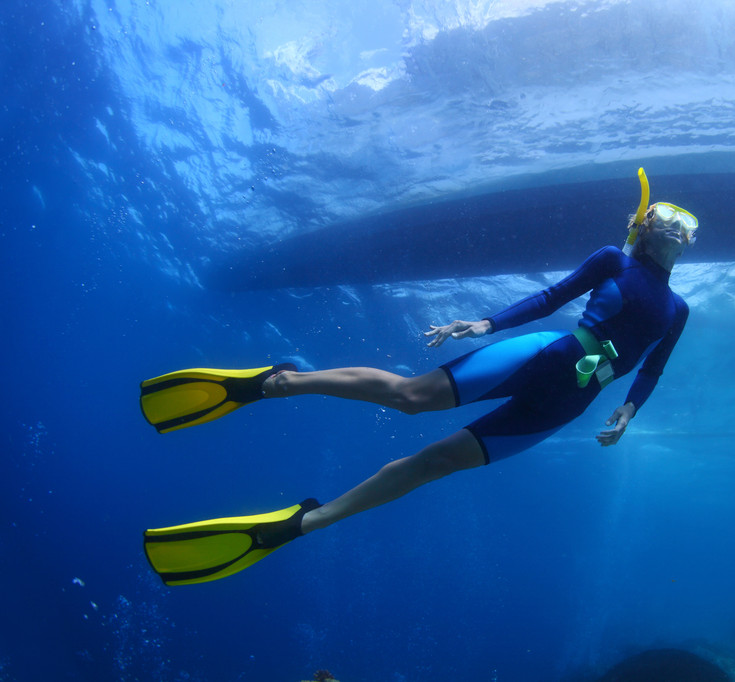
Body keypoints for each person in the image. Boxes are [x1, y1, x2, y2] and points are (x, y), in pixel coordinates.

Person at [140, 199, 698, 586]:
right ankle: (278, 382)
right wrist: (483, 324)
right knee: (409, 397)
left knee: (435, 463)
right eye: (668, 218)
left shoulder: (679, 309)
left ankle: (301, 524)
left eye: (686, 224)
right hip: (545, 355)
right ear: (645, 227)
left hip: (567, 404)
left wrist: (628, 410)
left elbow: (652, 369)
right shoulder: (613, 259)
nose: (678, 229)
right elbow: (551, 297)